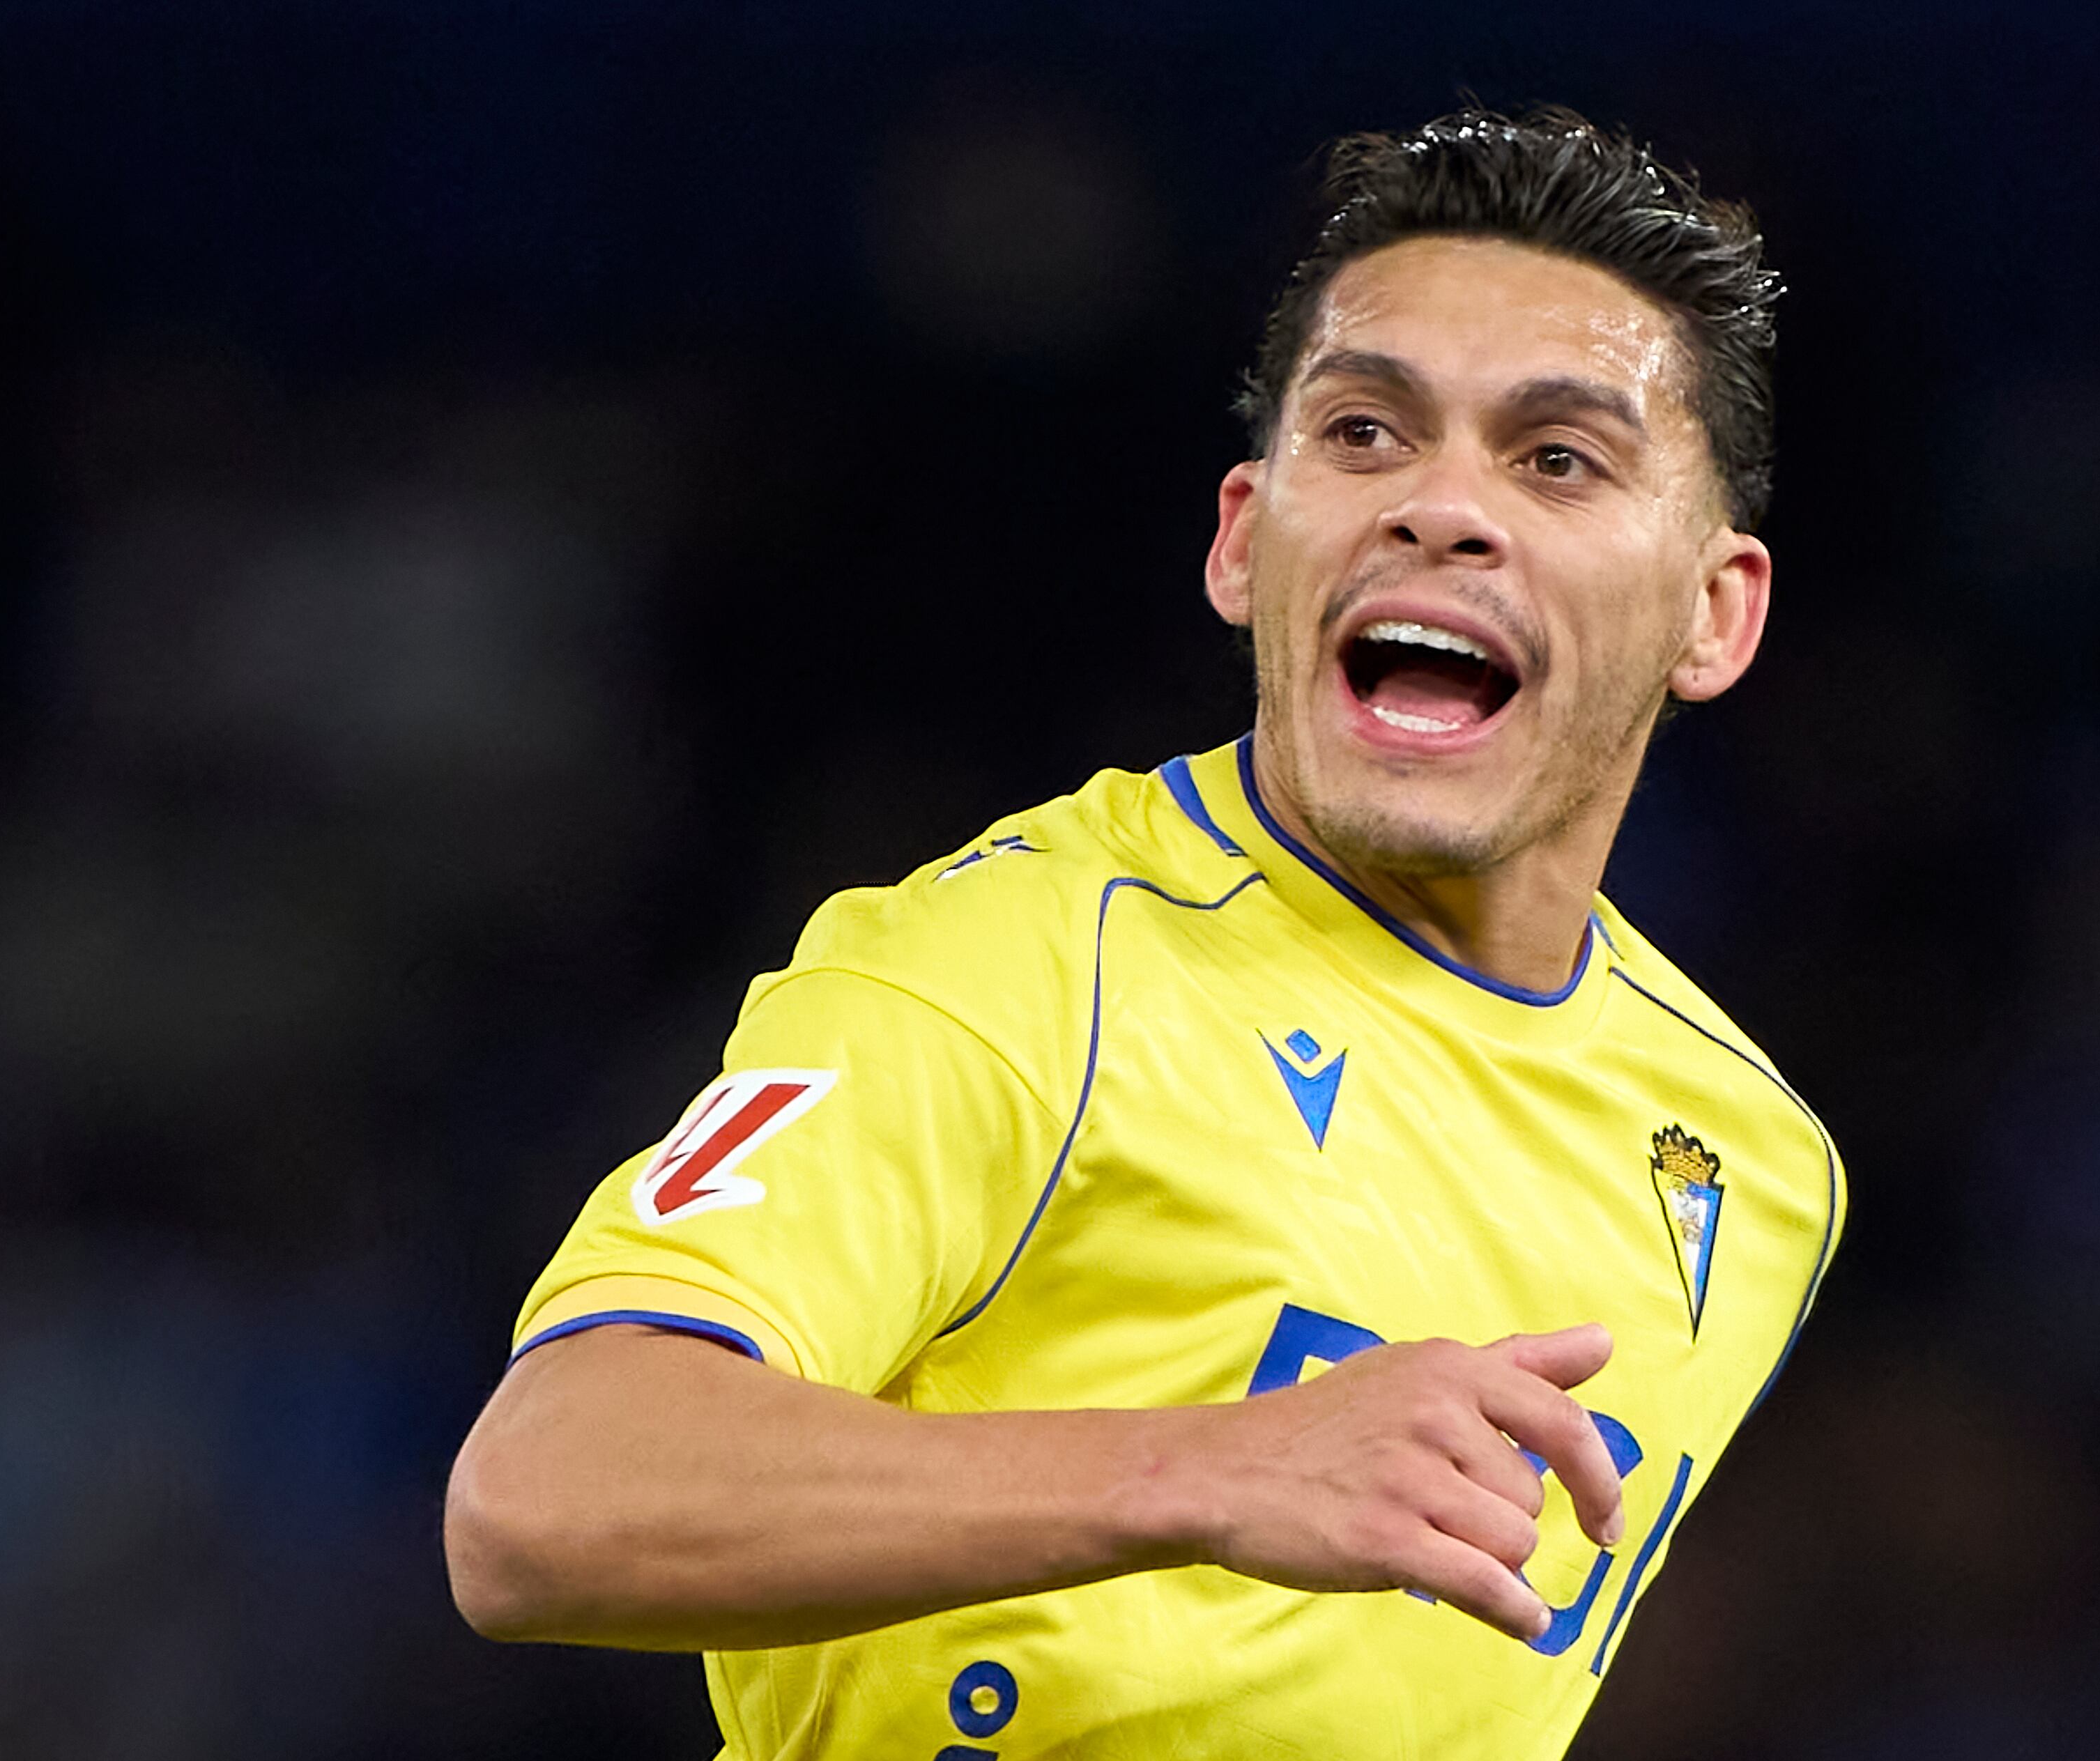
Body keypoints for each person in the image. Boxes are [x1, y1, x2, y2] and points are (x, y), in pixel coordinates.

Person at [445, 105, 1846, 1760]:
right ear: (1246, 541)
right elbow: (543, 1496)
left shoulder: (1748, 1165)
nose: (1438, 508)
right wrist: (1205, 1466)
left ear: (1714, 611)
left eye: (1555, 459)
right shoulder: (1014, 968)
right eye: (1365, 432)